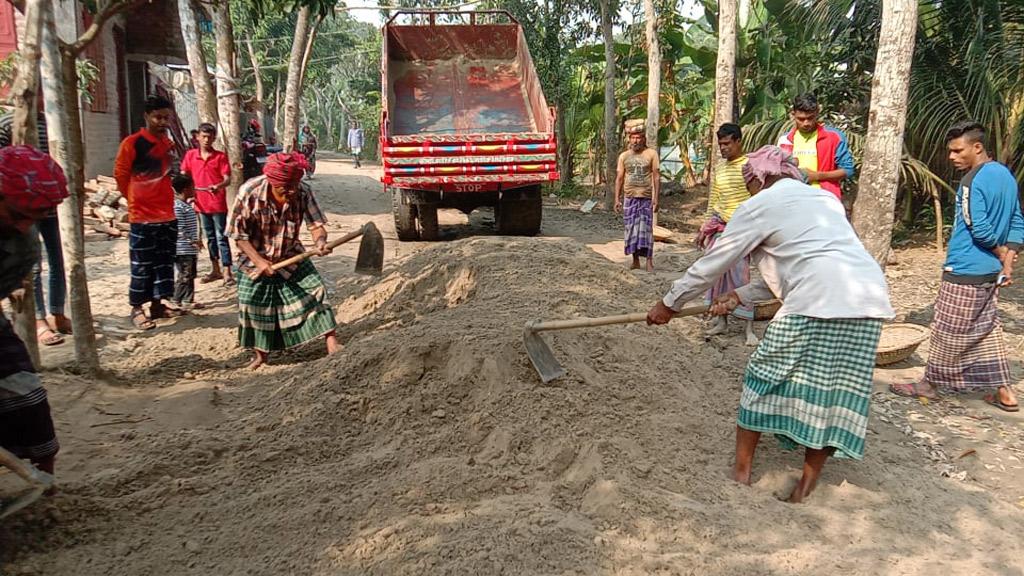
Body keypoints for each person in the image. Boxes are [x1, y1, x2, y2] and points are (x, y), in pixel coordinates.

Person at [646, 145, 893, 503]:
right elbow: (794, 263)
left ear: (759, 180)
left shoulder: (759, 205)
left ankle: (741, 474)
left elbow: (715, 261)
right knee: (833, 394)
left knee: (761, 377)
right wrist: (738, 296)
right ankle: (804, 489)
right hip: (867, 300)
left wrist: (669, 303)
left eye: (749, 186)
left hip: (816, 300)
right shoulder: (825, 202)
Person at [890, 122, 1022, 412]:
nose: (951, 156)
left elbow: (978, 226)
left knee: (948, 329)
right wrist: (1008, 264)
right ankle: (1005, 391)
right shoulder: (1006, 176)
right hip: (990, 273)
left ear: (977, 147)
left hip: (964, 268)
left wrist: (1000, 253)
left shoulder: (971, 181)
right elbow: (1016, 222)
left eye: (957, 150)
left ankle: (929, 385)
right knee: (987, 329)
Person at [227, 152, 339, 370]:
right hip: (253, 258)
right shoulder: (249, 192)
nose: (291, 192)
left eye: (294, 186)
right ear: (272, 182)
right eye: (285, 189)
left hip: (290, 254)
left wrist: (320, 242)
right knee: (254, 305)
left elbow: (316, 225)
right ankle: (261, 356)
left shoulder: (303, 191)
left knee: (316, 290)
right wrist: (259, 261)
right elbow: (237, 236)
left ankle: (332, 342)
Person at [0, 145, 69, 477]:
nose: (26, 226)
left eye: (36, 218)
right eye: (16, 215)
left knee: (28, 399)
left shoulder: (22, 247)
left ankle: (45, 486)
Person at [114, 95, 184, 330]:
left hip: (167, 214)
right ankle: (137, 308)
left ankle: (157, 304)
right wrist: (134, 198)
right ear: (147, 116)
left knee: (164, 263)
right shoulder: (132, 143)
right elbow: (121, 175)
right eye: (158, 117)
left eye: (166, 117)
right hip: (142, 217)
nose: (162, 122)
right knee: (142, 265)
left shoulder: (168, 144)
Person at [698, 123, 756, 345]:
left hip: (742, 229)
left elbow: (756, 197)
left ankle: (749, 329)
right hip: (720, 227)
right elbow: (714, 198)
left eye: (727, 144)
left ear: (738, 141)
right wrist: (706, 225)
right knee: (717, 276)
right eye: (720, 144)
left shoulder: (749, 166)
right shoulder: (720, 167)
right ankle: (721, 321)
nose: (723, 148)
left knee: (741, 277)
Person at [179, 122, 234, 287]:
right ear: (197, 137)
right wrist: (185, 191)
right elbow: (184, 174)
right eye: (203, 136)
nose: (206, 140)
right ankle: (215, 268)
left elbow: (227, 179)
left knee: (221, 237)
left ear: (214, 138)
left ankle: (227, 272)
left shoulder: (220, 157)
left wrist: (218, 186)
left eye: (210, 137)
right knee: (209, 238)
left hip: (217, 203)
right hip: (200, 203)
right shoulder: (190, 156)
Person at [776, 93, 855, 200]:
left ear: (817, 113)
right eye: (801, 119)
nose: (806, 123)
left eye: (810, 118)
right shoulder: (784, 140)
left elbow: (848, 170)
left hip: (825, 199)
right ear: (793, 114)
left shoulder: (835, 137)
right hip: (792, 198)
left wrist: (817, 176)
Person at [614, 124, 659, 272]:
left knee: (646, 231)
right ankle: (635, 261)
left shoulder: (651, 154)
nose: (635, 141)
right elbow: (619, 178)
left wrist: (656, 198)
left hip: (645, 198)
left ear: (643, 139)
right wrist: (617, 199)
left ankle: (649, 261)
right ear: (629, 139)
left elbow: (656, 177)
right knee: (631, 230)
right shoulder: (624, 156)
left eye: (638, 138)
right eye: (633, 138)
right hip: (629, 198)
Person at [171, 174, 204, 311]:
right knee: (185, 275)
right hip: (183, 248)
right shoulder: (178, 207)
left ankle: (187, 299)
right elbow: (180, 228)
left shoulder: (186, 205)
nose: (194, 189)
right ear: (185, 189)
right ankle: (176, 299)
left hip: (189, 247)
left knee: (190, 274)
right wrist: (193, 241)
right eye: (192, 187)